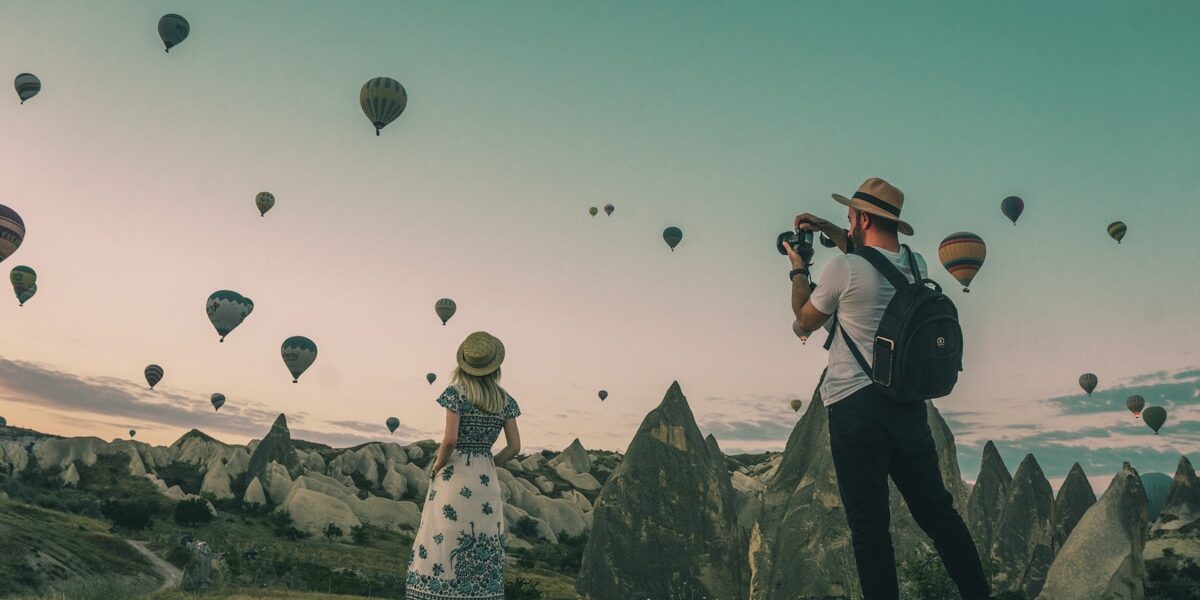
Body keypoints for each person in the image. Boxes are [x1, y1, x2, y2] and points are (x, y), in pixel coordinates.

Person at [784, 178, 991, 600]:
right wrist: (826, 226)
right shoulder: (918, 267)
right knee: (938, 513)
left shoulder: (843, 269)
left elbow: (804, 321)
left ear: (861, 218)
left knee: (869, 527)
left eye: (848, 219)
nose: (847, 226)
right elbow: (870, 258)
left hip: (854, 408)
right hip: (907, 405)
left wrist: (798, 267)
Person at [404, 331, 522, 600]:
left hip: (455, 477)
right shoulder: (505, 401)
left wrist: (437, 466)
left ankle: (436, 593)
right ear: (495, 367)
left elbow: (449, 440)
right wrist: (491, 464)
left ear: (463, 365)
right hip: (486, 481)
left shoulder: (456, 394)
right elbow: (515, 447)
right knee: (483, 538)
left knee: (442, 538)